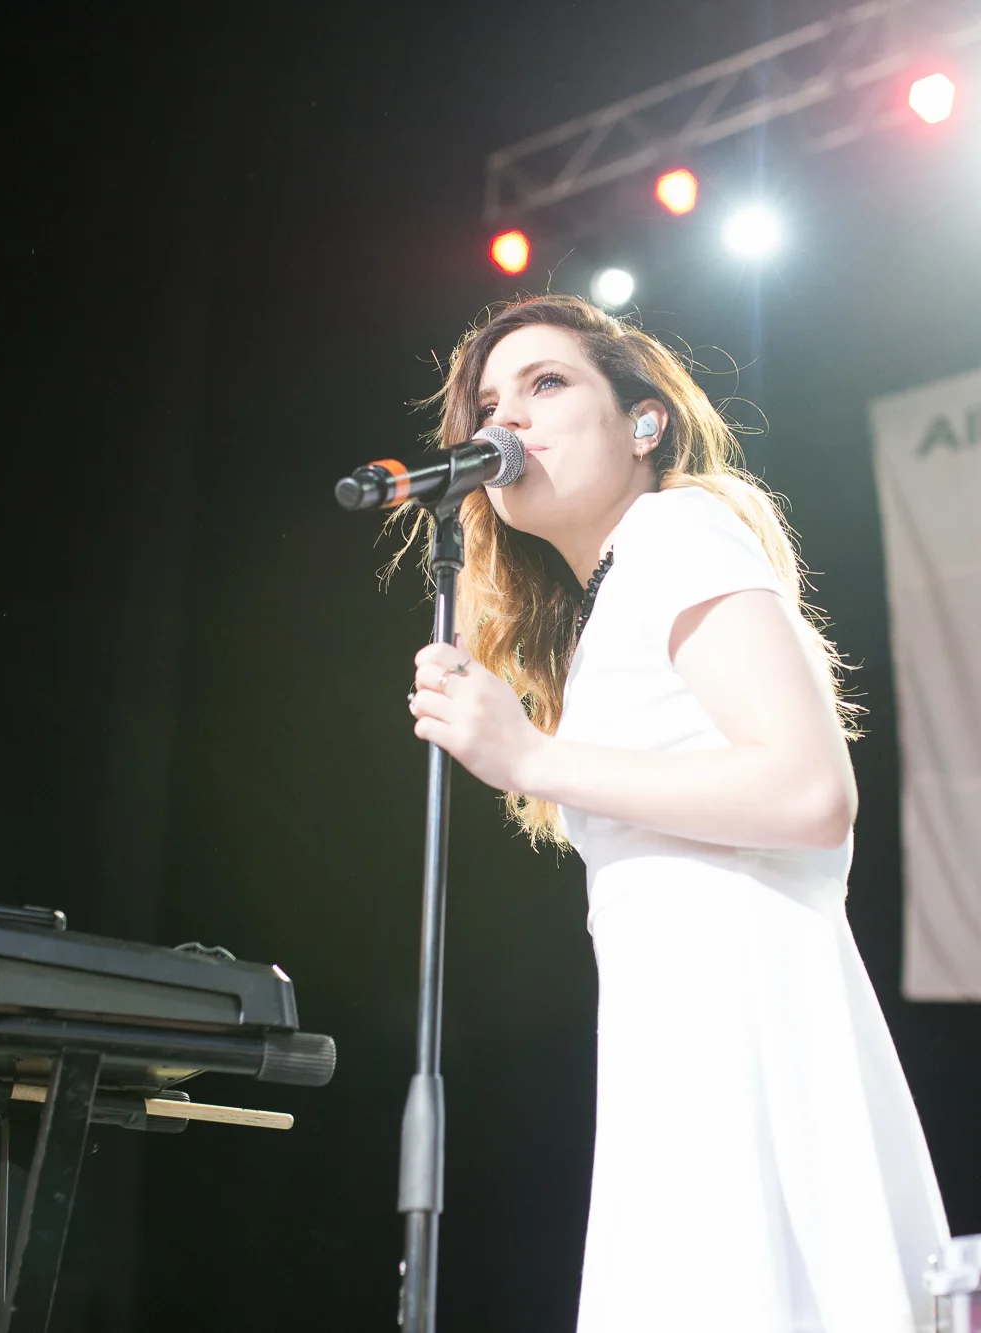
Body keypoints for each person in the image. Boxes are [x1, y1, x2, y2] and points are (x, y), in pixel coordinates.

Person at [403, 294, 948, 1333]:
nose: (504, 419)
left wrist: (531, 756)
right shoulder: (620, 590)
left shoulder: (675, 530)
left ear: (643, 423)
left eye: (546, 383)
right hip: (680, 1036)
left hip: (738, 1023)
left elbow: (810, 793)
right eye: (487, 404)